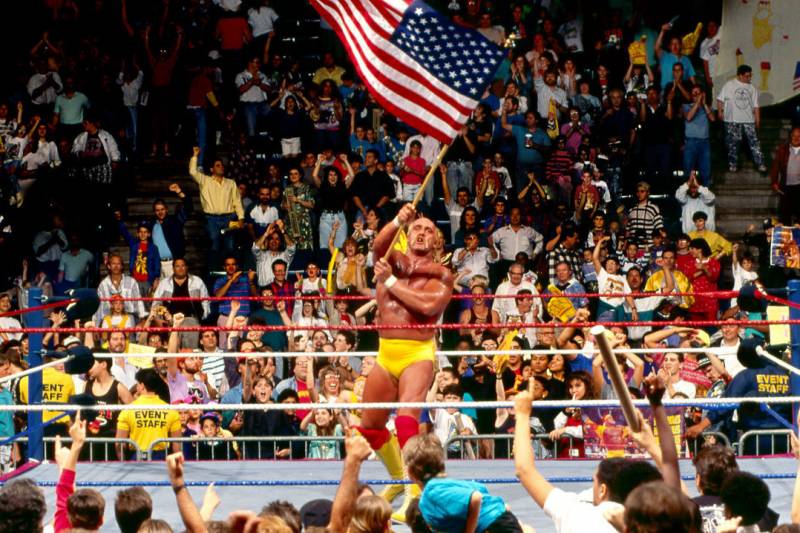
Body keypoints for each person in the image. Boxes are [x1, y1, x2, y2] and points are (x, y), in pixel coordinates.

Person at [358, 203, 453, 522]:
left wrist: (390, 284)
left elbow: (428, 307)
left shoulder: (441, 273)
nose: (422, 233)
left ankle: (414, 496)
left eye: (429, 230)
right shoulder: (394, 262)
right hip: (386, 351)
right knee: (369, 426)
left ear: (437, 241)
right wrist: (397, 220)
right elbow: (378, 247)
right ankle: (400, 479)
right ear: (407, 235)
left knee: (406, 420)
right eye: (417, 228)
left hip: (417, 353)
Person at [404, 433, 524, 532]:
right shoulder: (444, 485)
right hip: (499, 520)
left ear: (410, 472)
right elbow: (480, 489)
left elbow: (476, 497)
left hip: (494, 525)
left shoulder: (432, 492)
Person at [188, 146, 245, 267]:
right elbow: (192, 172)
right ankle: (214, 271)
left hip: (229, 218)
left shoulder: (231, 183)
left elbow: (237, 201)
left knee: (230, 246)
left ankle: (231, 271)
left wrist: (241, 218)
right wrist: (195, 156)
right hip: (211, 219)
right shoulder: (205, 180)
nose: (221, 167)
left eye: (222, 165)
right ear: (211, 169)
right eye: (218, 165)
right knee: (214, 245)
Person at [115, 368, 181, 460]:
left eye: (137, 384)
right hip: (161, 458)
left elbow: (119, 444)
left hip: (137, 458)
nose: (137, 387)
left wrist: (123, 463)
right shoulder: (171, 411)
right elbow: (177, 446)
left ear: (142, 386)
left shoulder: (128, 411)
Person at [717, 64, 766, 173]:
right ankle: (733, 164)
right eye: (747, 76)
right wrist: (720, 111)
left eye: (750, 76)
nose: (749, 78)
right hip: (732, 120)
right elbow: (720, 99)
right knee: (732, 144)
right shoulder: (729, 85)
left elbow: (756, 106)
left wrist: (757, 120)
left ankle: (760, 163)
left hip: (748, 120)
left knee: (754, 143)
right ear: (740, 75)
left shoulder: (752, 88)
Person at [769, 126, 800, 225]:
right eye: (794, 136)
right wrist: (774, 182)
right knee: (785, 215)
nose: (796, 138)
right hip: (786, 187)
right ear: (790, 136)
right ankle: (786, 234)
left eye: (799, 136)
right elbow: (775, 166)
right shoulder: (783, 149)